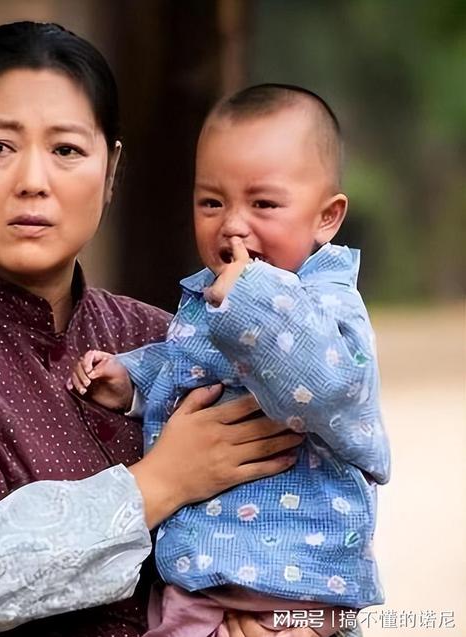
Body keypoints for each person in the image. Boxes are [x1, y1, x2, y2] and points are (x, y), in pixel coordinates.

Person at [0, 23, 309, 637]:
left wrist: (296, 623)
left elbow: (316, 527)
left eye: (67, 150)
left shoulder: (168, 337)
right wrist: (162, 481)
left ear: (111, 169)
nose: (33, 181)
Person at [70, 85, 390, 636]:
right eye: (211, 203)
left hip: (303, 588)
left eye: (263, 204)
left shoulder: (328, 300)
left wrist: (252, 296)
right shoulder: (207, 296)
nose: (233, 225)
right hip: (200, 580)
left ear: (327, 218)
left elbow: (334, 383)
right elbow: (187, 365)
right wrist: (131, 380)